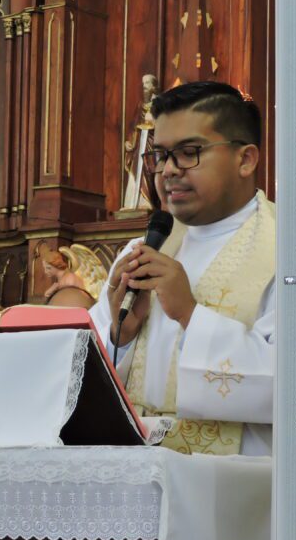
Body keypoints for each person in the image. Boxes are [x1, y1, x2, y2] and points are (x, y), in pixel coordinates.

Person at [90, 81, 275, 456]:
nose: (168, 171)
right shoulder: (143, 248)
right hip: (138, 465)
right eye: (160, 155)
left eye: (189, 153)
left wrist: (190, 314)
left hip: (234, 486)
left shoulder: (287, 252)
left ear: (246, 159)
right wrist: (120, 337)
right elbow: (84, 373)